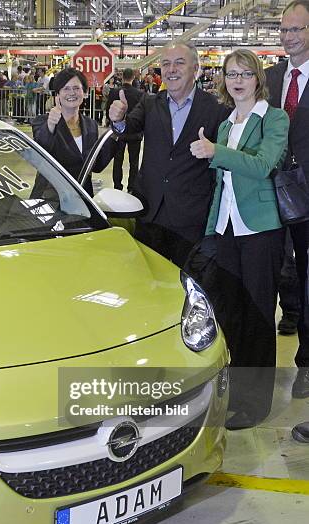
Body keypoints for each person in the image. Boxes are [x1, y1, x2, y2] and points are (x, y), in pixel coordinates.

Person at [190, 49, 289, 429]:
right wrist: (212, 228)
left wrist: (218, 152)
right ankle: (236, 391)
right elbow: (222, 184)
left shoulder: (273, 118)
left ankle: (257, 402)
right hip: (227, 229)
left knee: (260, 314)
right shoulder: (226, 123)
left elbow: (262, 165)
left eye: (245, 73)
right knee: (231, 312)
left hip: (261, 230)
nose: (237, 80)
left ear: (257, 79)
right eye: (231, 74)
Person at [108, 42, 230, 268]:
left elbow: (225, 157)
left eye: (179, 63)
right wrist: (119, 120)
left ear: (196, 69)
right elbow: (130, 128)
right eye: (166, 64)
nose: (171, 69)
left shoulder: (216, 108)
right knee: (149, 284)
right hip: (150, 212)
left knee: (188, 287)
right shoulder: (150, 102)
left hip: (191, 217)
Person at [264, 0, 309, 412]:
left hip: (308, 196)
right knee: (270, 267)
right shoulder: (270, 77)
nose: (289, 37)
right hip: (269, 192)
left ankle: (306, 361)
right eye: (284, 30)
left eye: (296, 29)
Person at [32, 68, 117, 195]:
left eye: (76, 88)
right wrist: (51, 125)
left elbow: (97, 164)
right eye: (66, 88)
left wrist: (117, 127)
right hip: (51, 198)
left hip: (82, 198)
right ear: (58, 94)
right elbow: (40, 156)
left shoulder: (91, 125)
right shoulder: (42, 122)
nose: (72, 93)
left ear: (84, 92)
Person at [106, 68, 143, 194]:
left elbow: (108, 112)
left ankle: (117, 186)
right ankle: (132, 187)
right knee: (134, 162)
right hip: (135, 134)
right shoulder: (139, 94)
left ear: (122, 77)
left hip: (118, 134)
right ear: (133, 77)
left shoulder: (114, 92)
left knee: (118, 160)